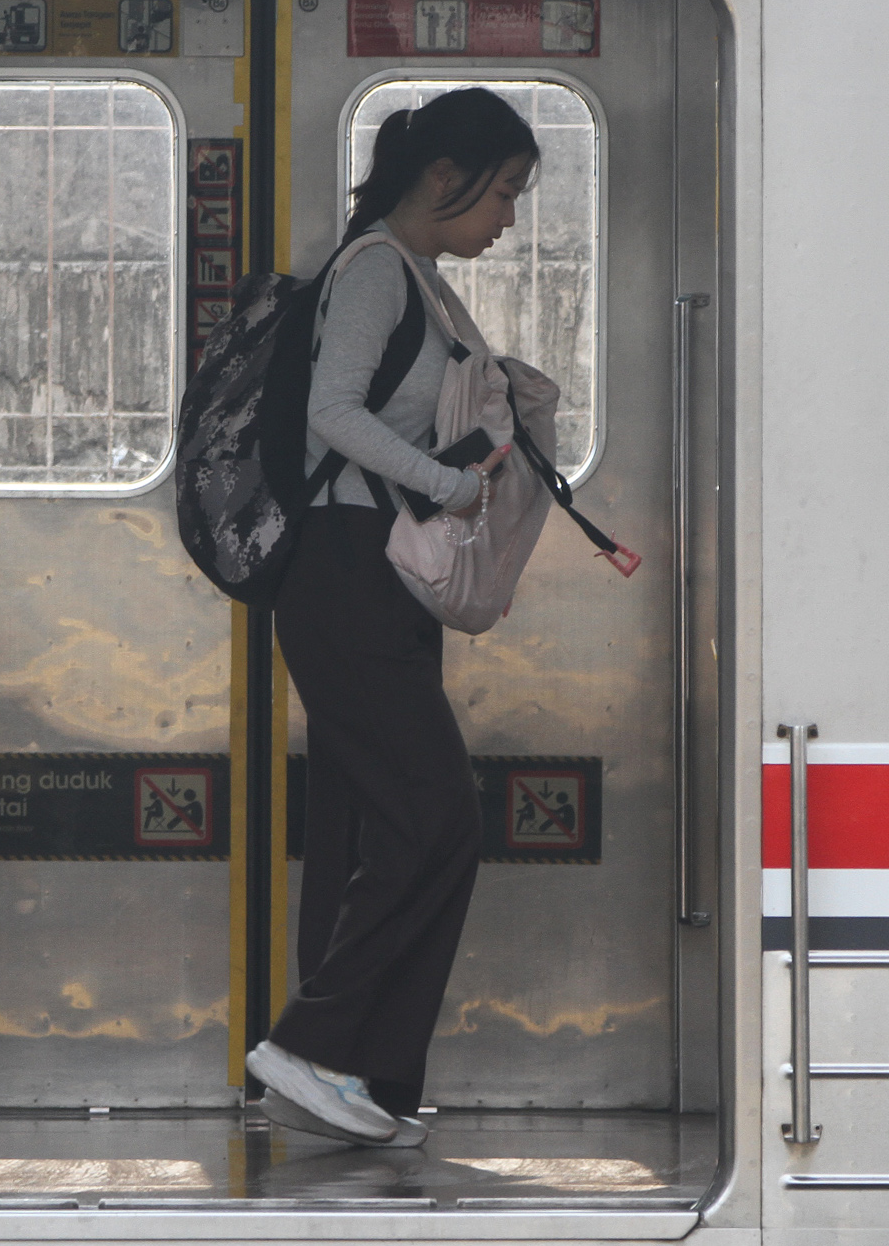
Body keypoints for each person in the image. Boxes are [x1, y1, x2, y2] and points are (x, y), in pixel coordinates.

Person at [244, 87, 540, 1148]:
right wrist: (450, 485)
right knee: (436, 816)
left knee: (377, 826)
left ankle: (363, 1078)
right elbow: (335, 410)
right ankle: (312, 1044)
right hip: (342, 574)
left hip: (379, 580)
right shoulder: (375, 268)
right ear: (444, 177)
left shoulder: (423, 280)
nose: (506, 218)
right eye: (502, 192)